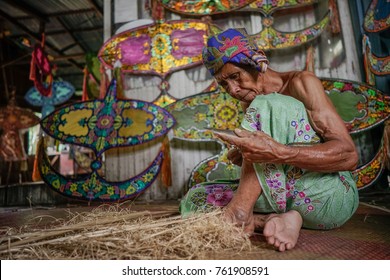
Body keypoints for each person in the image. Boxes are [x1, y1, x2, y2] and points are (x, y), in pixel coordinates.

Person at [179, 28, 359, 252]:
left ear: (257, 61)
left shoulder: (301, 83)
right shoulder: (250, 102)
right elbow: (267, 162)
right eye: (224, 84)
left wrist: (280, 153)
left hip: (326, 198)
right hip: (286, 202)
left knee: (269, 103)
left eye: (235, 77)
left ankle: (242, 213)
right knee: (194, 199)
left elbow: (349, 156)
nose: (232, 90)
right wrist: (248, 157)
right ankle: (275, 220)